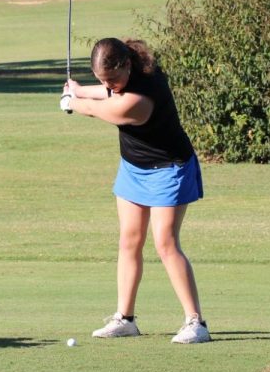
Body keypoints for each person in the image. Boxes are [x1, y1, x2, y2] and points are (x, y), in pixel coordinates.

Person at [60, 37, 211, 344]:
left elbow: (105, 109)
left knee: (166, 243)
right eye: (103, 79)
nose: (109, 85)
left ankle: (196, 323)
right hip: (134, 168)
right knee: (129, 240)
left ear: (127, 65)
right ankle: (125, 319)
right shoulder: (123, 80)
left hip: (170, 169)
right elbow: (106, 92)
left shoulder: (143, 95)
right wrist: (76, 89)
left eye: (113, 79)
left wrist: (73, 102)